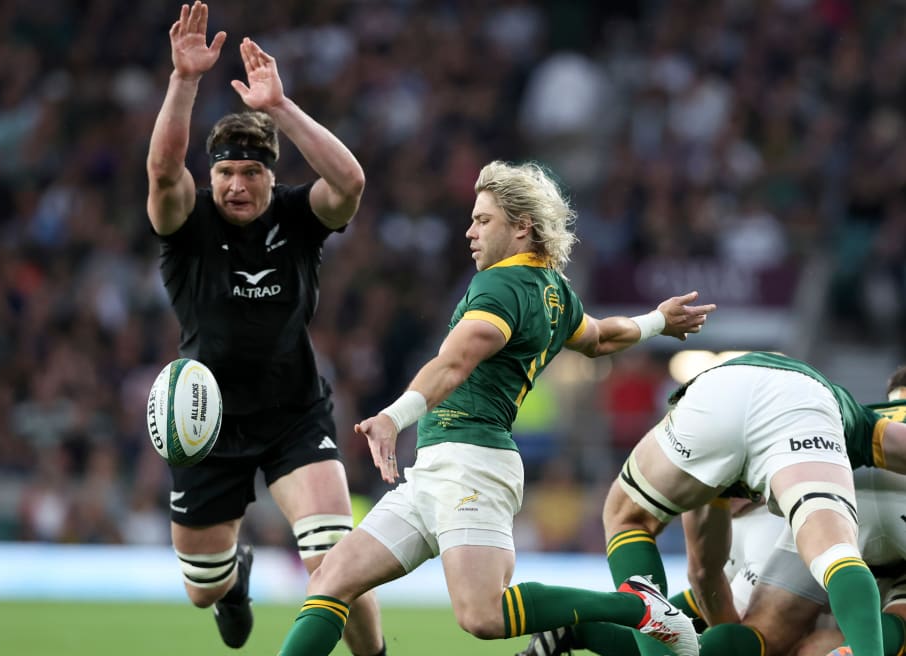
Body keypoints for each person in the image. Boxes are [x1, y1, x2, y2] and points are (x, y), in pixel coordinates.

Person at [275, 159, 717, 656]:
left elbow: (454, 362)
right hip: (441, 465)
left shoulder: (501, 286)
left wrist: (392, 417)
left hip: (474, 465)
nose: (469, 232)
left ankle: (637, 607)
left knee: (483, 615)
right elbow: (600, 337)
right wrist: (658, 319)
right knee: (332, 578)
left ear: (522, 226)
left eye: (483, 220)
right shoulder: (554, 292)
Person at [145, 3, 384, 653]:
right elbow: (165, 171)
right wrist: (184, 82)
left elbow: (351, 180)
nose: (237, 184)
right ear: (212, 175)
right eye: (225, 171)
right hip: (206, 422)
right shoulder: (189, 227)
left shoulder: (297, 218)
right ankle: (235, 579)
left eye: (252, 171)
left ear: (272, 175)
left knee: (337, 559)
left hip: (292, 411)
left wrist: (280, 108)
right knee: (202, 586)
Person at [517, 365, 906, 656]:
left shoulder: (854, 406)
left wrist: (727, 642)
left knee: (627, 518)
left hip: (748, 453)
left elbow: (703, 573)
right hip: (820, 490)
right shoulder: (844, 414)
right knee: (848, 593)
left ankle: (580, 625)